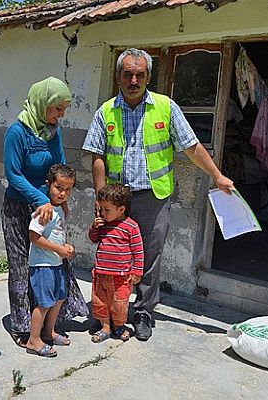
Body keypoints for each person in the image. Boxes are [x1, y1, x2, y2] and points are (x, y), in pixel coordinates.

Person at [82, 48, 234, 342]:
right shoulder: (106, 111)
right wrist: (101, 201)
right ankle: (109, 314)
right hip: (116, 202)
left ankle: (143, 313)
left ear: (148, 76)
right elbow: (97, 156)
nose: (134, 80)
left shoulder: (165, 107)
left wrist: (216, 175)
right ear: (118, 77)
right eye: (127, 74)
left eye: (140, 74)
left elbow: (191, 146)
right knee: (112, 254)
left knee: (148, 257)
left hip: (153, 196)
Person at [2, 77, 88, 348]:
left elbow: (59, 165)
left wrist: (60, 200)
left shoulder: (53, 132)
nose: (60, 115)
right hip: (20, 208)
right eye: (57, 109)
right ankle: (24, 329)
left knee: (54, 262)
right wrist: (41, 198)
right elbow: (13, 175)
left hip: (49, 205)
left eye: (63, 109)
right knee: (21, 268)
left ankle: (49, 325)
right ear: (42, 104)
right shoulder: (17, 133)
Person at [26, 164, 76, 357]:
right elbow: (34, 236)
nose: (62, 193)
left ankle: (49, 332)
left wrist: (67, 246)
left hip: (56, 263)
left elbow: (59, 234)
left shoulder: (61, 209)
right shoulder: (44, 211)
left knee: (59, 298)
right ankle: (33, 340)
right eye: (58, 187)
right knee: (44, 303)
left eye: (67, 189)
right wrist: (58, 249)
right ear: (49, 185)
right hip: (42, 265)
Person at [88, 183, 143, 343]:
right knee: (100, 302)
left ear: (121, 209)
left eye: (107, 209)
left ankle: (119, 326)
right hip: (101, 274)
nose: (102, 213)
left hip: (121, 277)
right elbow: (93, 239)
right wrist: (94, 228)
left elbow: (138, 250)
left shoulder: (131, 227)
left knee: (119, 304)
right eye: (101, 209)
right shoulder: (103, 224)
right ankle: (105, 327)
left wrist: (137, 271)